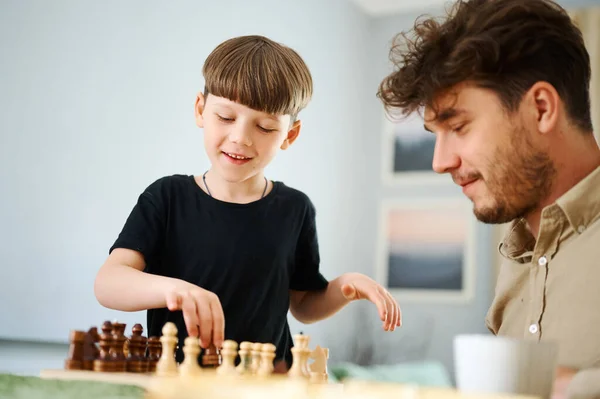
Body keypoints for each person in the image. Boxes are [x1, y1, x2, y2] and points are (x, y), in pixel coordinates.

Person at [94, 35, 401, 368]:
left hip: (266, 382)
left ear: (290, 135)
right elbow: (108, 283)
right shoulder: (167, 198)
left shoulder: (294, 209)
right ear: (200, 109)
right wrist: (177, 290)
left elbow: (303, 305)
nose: (240, 137)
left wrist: (344, 287)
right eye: (226, 117)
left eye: (265, 127)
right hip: (180, 382)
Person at [377, 0, 600, 397]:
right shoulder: (516, 259)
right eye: (436, 136)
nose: (440, 162)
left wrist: (570, 387)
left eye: (458, 126)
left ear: (541, 108)